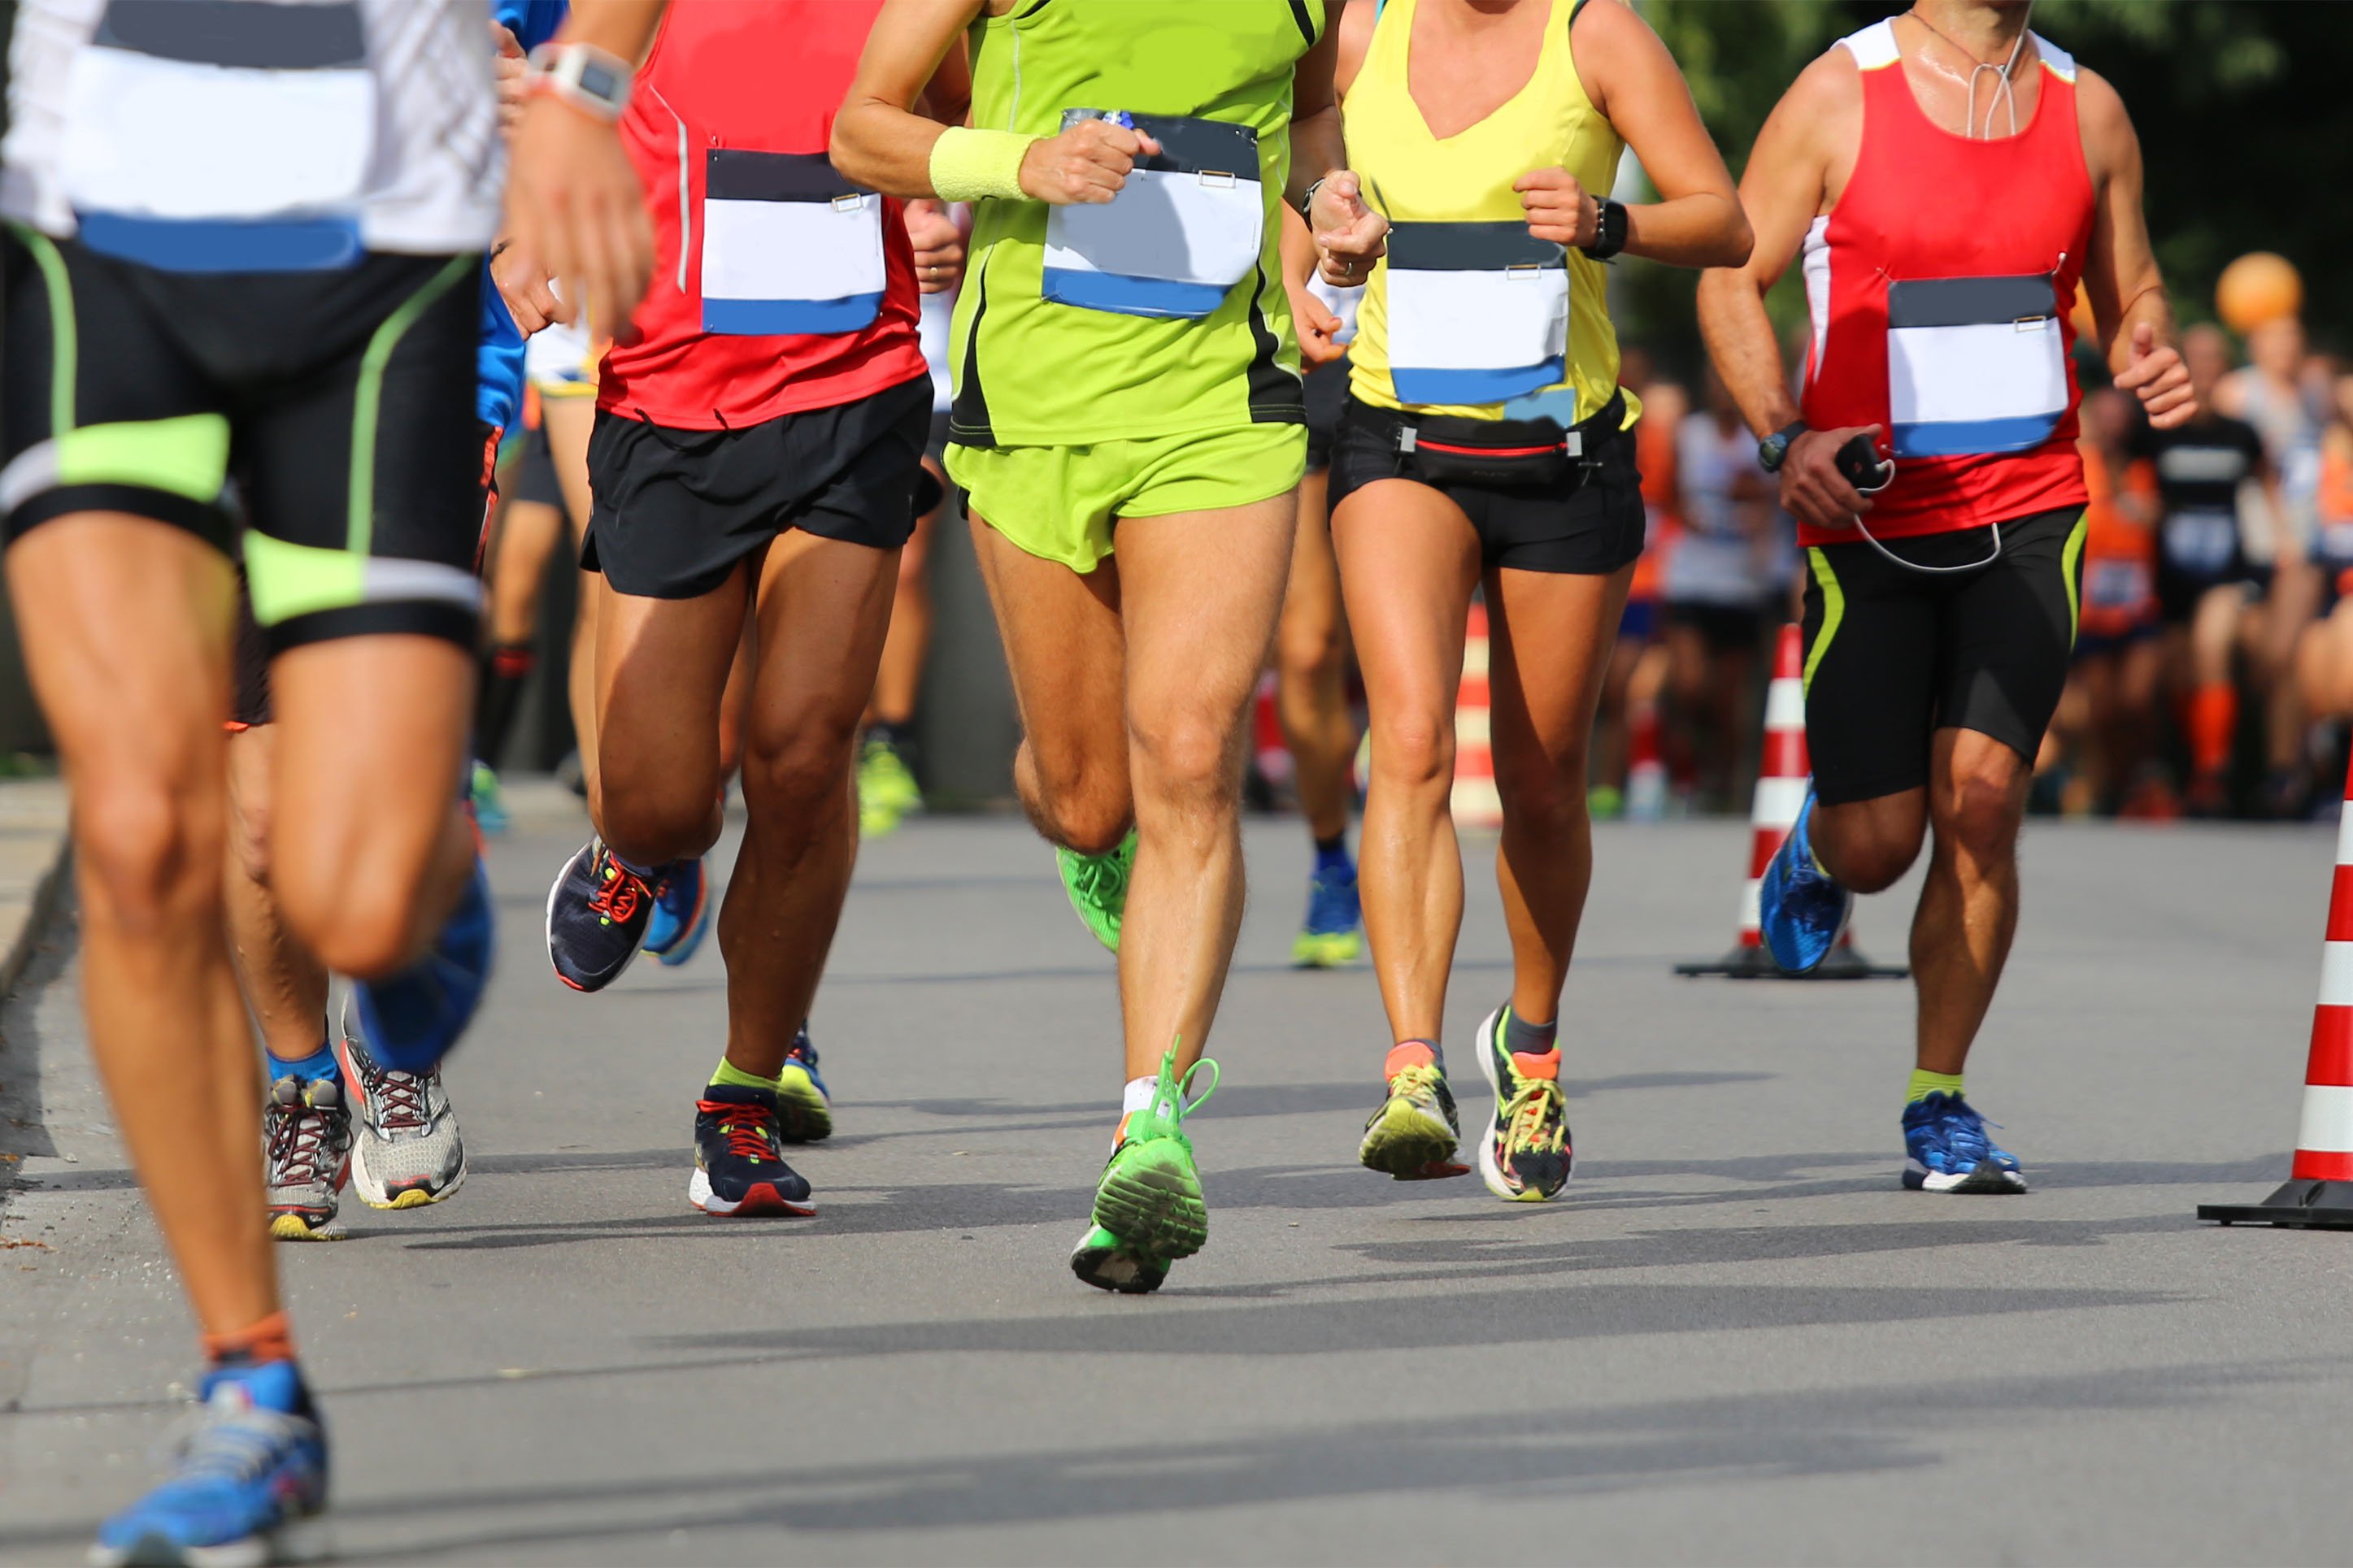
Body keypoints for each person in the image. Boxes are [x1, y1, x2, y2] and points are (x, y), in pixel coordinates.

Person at [2, 1, 512, 1556]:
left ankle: (422, 909)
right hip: (99, 250)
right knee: (143, 832)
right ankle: (252, 1385)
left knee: (354, 899)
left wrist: (583, 88)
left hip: (379, 261)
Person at [833, 0, 1379, 1288]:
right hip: (1031, 407)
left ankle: (1151, 1128)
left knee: (1187, 753)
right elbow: (862, 128)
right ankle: (1086, 825)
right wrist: (1013, 162)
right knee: (1088, 800)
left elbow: (1305, 116)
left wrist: (1328, 209)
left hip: (1221, 406)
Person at [1697, 0, 2194, 1195]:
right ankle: (1818, 843)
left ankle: (1940, 1097)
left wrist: (2147, 345)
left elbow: (2133, 293)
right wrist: (1784, 438)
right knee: (1881, 846)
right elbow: (1731, 279)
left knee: (1980, 799)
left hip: (2029, 510)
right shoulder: (1836, 92)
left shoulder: (2091, 109)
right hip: (1866, 513)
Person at [515, 0, 967, 1215]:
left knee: (805, 754)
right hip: (670, 407)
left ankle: (746, 1093)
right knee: (661, 795)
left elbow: (952, 123)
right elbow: (565, 100)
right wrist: (525, 247)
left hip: (855, 392)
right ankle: (631, 851)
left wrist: (939, 223)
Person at [1320, 0, 1750, 1201]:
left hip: (1561, 459)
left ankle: (1531, 1042)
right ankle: (1411, 1065)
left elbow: (1724, 221)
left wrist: (1608, 221)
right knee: (1406, 739)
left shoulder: (1597, 36)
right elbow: (1297, 170)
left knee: (1544, 777)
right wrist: (1322, 241)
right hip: (1398, 441)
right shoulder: (1361, 35)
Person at [855, 198, 966, 840]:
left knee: (903, 561)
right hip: (833, 376)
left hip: (935, 381)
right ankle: (841, 731)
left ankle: (889, 742)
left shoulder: (978, 118)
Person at [2141, 324, 2285, 816]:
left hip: (2226, 571)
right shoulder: (2155, 430)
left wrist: (2280, 553)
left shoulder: (2241, 434)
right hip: (2168, 576)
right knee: (2178, 670)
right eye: (2195, 358)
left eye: (2213, 359)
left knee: (2212, 646)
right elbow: (2132, 491)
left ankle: (2212, 772)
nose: (2204, 369)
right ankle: (2184, 768)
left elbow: (2270, 492)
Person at [1280, 191, 1368, 967]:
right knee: (1309, 653)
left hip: (1417, 366)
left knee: (1393, 655)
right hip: (1308, 370)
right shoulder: (1293, 77)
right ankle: (1333, 856)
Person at [2219, 315, 2328, 814]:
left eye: (2294, 339)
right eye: (2276, 338)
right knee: (2261, 658)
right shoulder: (2238, 394)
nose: (2287, 347)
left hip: (2303, 549)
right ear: (2254, 344)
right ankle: (2257, 767)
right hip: (2248, 547)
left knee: (2284, 656)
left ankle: (2285, 774)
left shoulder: (2314, 398)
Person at [1662, 366, 1783, 810]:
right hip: (1691, 577)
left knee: (1731, 700)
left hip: (1741, 583)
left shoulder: (1763, 441)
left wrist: (1756, 503)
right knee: (1690, 685)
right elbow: (1667, 493)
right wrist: (1688, 514)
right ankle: (1681, 776)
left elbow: (1777, 497)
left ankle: (1725, 787)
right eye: (1716, 387)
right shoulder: (1689, 434)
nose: (1724, 396)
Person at [2055, 384, 2165, 816]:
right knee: (2100, 708)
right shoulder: (2079, 466)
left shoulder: (2143, 468)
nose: (2113, 425)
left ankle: (2135, 777)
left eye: (2122, 417)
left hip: (2138, 606)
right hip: (2094, 611)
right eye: (2105, 416)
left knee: (2137, 699)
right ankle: (2101, 786)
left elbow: (2156, 515)